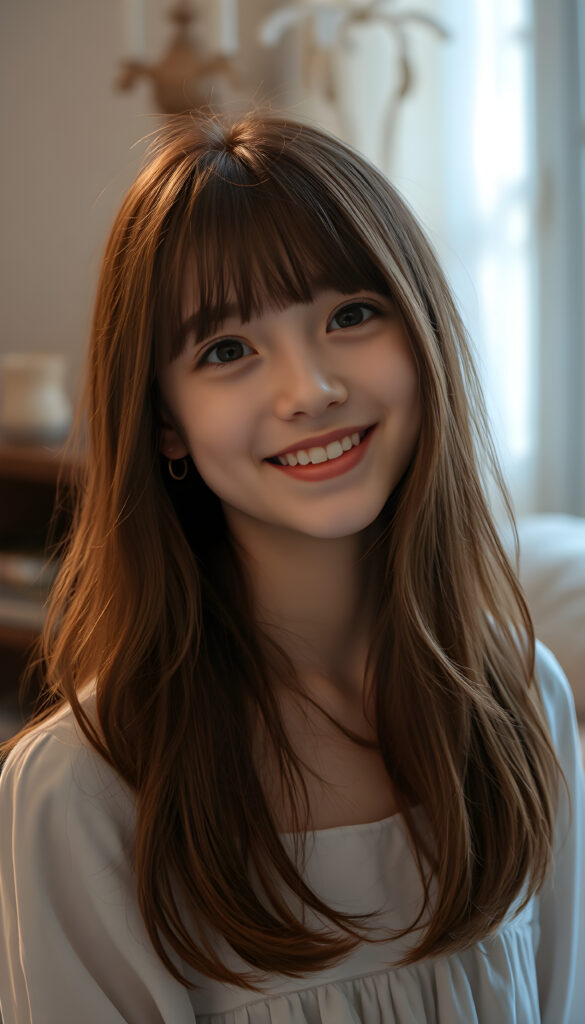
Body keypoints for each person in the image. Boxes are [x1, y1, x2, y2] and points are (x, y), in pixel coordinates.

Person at [0, 109, 583, 1024]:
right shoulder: (87, 790)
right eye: (226, 350)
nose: (309, 389)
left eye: (350, 314)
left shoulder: (519, 698)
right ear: (165, 425)